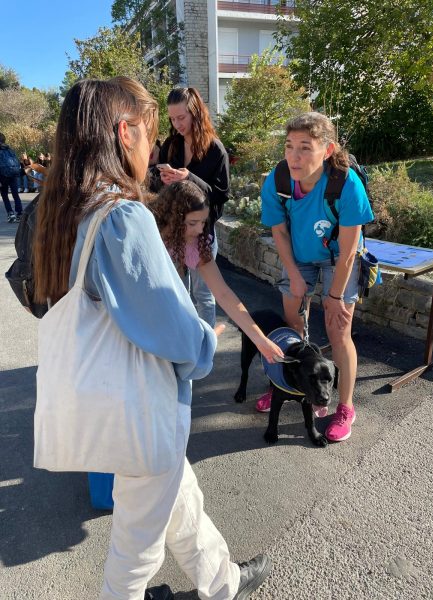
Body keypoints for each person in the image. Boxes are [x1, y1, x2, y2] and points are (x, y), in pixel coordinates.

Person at [33, 76, 272, 600]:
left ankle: (224, 581)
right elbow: (172, 328)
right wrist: (206, 342)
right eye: (149, 132)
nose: (153, 145)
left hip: (113, 405)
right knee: (135, 551)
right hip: (142, 409)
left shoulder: (65, 211)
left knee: (180, 501)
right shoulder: (121, 216)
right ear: (125, 132)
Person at [259, 112, 374, 443]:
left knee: (339, 331)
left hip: (340, 257)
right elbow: (279, 231)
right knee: (293, 329)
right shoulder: (279, 179)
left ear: (327, 149)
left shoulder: (345, 182)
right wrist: (294, 275)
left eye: (305, 147)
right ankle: (284, 384)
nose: (294, 156)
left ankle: (345, 407)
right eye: (289, 146)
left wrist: (334, 296)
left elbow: (351, 248)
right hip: (300, 255)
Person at [150, 180, 285, 364]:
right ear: (173, 217)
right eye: (192, 222)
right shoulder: (146, 232)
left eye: (203, 222)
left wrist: (260, 339)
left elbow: (223, 293)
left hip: (170, 325)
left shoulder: (195, 243)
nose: (199, 229)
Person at [154, 87, 229, 328]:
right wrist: (164, 180)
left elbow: (221, 195)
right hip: (174, 231)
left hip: (201, 233)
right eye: (172, 118)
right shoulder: (171, 145)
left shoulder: (215, 149)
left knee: (204, 297)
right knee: (178, 292)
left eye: (181, 117)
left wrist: (189, 178)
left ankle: (206, 353)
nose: (177, 124)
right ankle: (184, 345)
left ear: (196, 113)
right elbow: (160, 192)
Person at [0, 132, 23, 223]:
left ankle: (11, 213)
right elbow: (16, 161)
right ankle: (20, 213)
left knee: (4, 195)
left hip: (2, 176)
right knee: (15, 194)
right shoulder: (10, 149)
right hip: (13, 174)